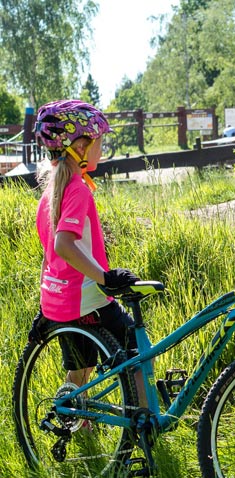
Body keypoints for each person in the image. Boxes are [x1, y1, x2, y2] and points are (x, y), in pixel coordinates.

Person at [31, 100, 148, 407]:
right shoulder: (77, 189)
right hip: (85, 297)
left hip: (58, 300)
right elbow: (63, 245)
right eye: (99, 141)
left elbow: (48, 255)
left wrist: (44, 307)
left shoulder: (50, 192)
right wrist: (106, 278)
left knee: (80, 369)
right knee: (137, 354)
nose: (102, 148)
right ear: (80, 146)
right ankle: (148, 425)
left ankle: (78, 422)